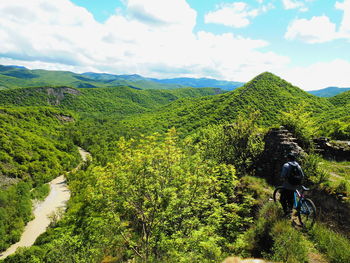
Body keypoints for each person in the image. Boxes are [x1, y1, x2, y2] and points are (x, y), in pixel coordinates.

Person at [280, 152, 304, 218]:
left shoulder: (286, 165)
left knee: (282, 199)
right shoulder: (298, 166)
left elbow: (282, 176)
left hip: (287, 185)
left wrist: (284, 180)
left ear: (288, 158)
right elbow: (302, 176)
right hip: (295, 186)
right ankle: (290, 210)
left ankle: (286, 213)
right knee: (291, 198)